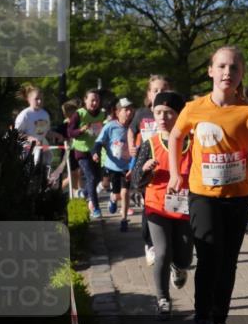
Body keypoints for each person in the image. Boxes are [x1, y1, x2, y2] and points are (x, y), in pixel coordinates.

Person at [168, 46, 248, 324]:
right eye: (222, 66)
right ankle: (201, 320)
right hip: (203, 195)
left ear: (241, 74)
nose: (228, 73)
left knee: (228, 262)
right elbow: (175, 136)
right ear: (210, 70)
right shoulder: (194, 107)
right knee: (210, 257)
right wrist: (176, 173)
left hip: (238, 197)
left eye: (234, 68)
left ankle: (220, 321)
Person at [131, 91, 193, 320]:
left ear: (179, 115)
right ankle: (163, 299)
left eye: (168, 113)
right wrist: (145, 169)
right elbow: (136, 180)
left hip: (184, 207)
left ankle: (180, 267)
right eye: (158, 112)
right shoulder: (150, 143)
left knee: (185, 257)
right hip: (156, 207)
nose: (162, 117)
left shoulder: (193, 143)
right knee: (163, 252)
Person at [129, 75, 171, 266]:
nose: (159, 94)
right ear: (148, 94)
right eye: (155, 90)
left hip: (167, 164)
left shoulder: (173, 112)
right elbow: (131, 130)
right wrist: (131, 145)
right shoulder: (141, 113)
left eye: (163, 90)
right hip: (146, 164)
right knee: (149, 207)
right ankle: (150, 244)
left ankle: (170, 248)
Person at [93, 97, 135, 232]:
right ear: (117, 112)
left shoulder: (133, 126)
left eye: (130, 109)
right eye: (125, 110)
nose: (128, 112)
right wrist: (96, 153)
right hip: (112, 166)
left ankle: (123, 220)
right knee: (117, 194)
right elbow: (99, 142)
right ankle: (112, 199)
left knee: (125, 192)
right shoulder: (110, 126)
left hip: (127, 166)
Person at [67, 90, 106, 219]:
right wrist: (80, 130)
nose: (95, 103)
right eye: (92, 100)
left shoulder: (101, 114)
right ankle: (96, 208)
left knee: (97, 178)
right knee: (91, 178)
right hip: (81, 150)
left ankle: (83, 193)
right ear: (85, 100)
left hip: (95, 150)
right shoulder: (79, 114)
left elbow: (104, 129)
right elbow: (70, 132)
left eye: (97, 100)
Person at [14, 86, 62, 169]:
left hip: (41, 148)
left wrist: (57, 135)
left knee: (46, 169)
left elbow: (45, 132)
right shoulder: (25, 115)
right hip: (27, 150)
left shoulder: (44, 114)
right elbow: (17, 133)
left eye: (41, 99)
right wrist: (31, 139)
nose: (39, 101)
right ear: (29, 99)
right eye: (36, 99)